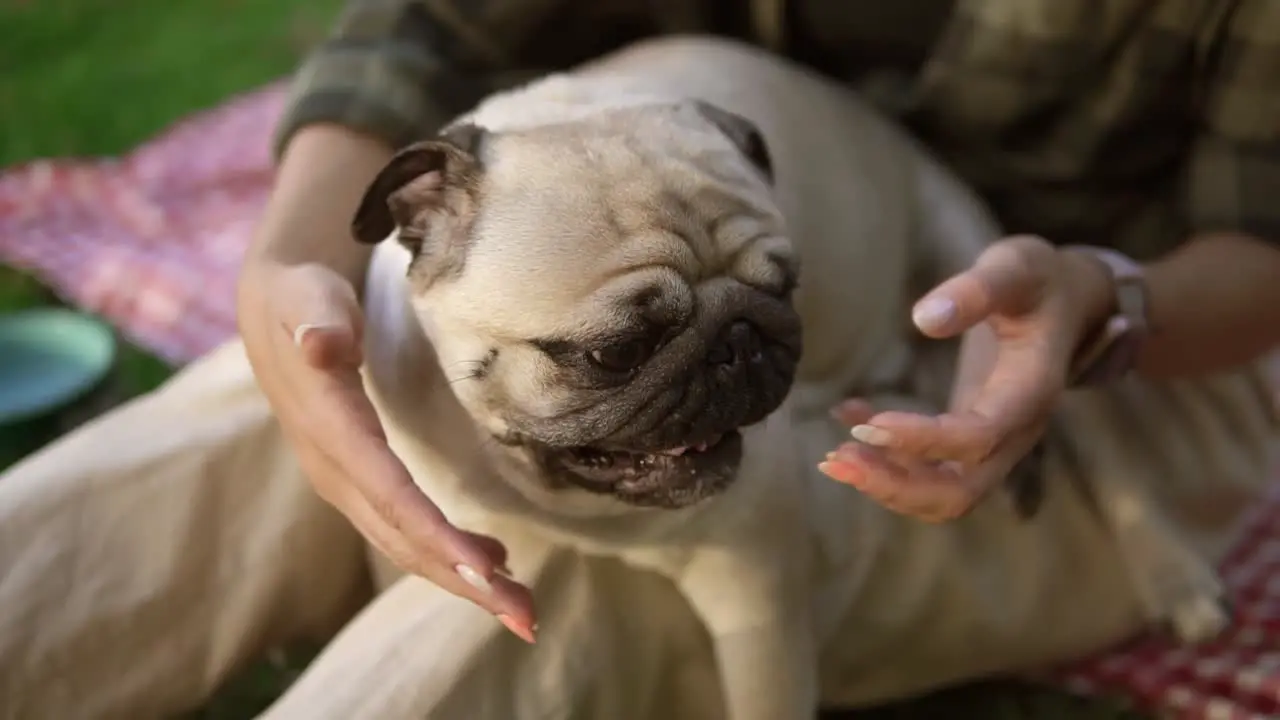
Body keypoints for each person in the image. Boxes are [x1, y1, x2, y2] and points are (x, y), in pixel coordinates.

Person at [0, 0, 1277, 717]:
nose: (719, 362)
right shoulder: (474, 240)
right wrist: (286, 275)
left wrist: (1108, 303)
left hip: (1125, 354)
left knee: (558, 599)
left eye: (756, 298)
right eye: (621, 338)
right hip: (589, 230)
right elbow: (420, 27)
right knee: (245, 430)